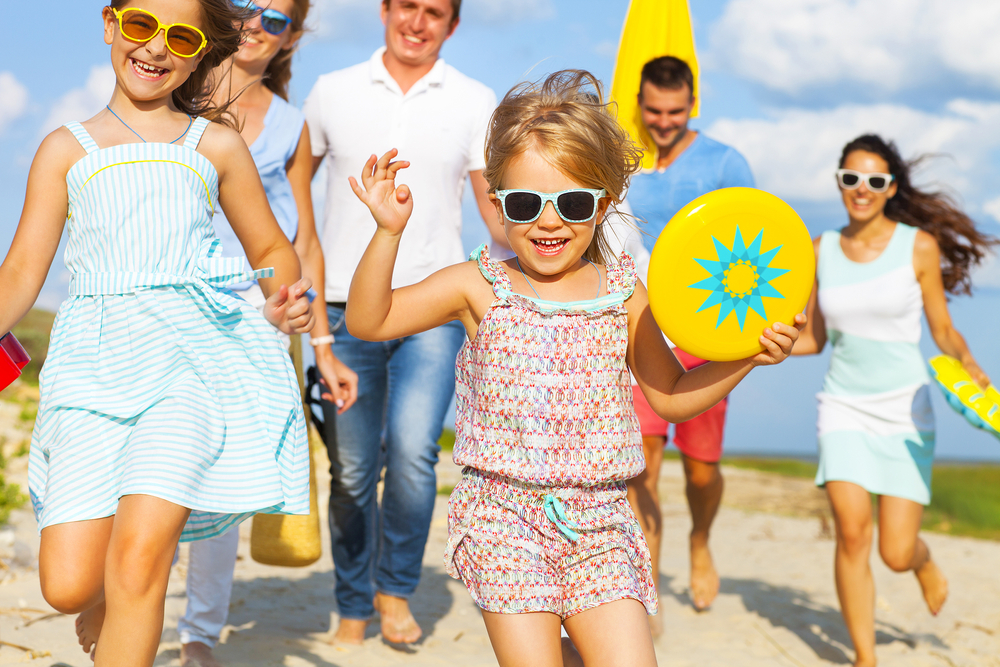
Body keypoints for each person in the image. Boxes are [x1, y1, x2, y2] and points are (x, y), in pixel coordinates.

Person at [344, 69, 804, 667]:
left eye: (574, 202)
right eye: (526, 202)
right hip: (503, 517)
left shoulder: (624, 293)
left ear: (604, 204)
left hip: (603, 520)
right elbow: (369, 320)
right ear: (497, 203)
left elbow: (669, 395)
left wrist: (748, 354)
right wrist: (387, 233)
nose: (549, 220)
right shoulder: (479, 286)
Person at [0, 1, 315, 664]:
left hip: (190, 365)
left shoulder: (216, 144)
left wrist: (284, 298)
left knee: (140, 558)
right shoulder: (65, 148)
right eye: (142, 25)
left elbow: (273, 250)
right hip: (90, 368)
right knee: (66, 582)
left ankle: (134, 581)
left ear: (202, 51)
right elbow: (23, 270)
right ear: (111, 24)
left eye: (181, 35)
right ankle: (104, 596)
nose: (156, 48)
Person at [302, 0, 499, 645]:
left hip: (433, 310)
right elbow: (296, 191)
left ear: (453, 24)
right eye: (407, 6)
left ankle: (393, 593)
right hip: (342, 306)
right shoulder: (331, 92)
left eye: (434, 12)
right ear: (385, 10)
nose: (418, 22)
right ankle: (352, 600)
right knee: (353, 469)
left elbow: (496, 215)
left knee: (414, 455)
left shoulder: (475, 100)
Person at [175, 2, 359, 666]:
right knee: (154, 463)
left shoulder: (290, 126)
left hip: (256, 314)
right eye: (245, 6)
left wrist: (325, 347)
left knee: (223, 477)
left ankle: (198, 632)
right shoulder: (173, 87)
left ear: (292, 37)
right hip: (170, 303)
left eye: (275, 18)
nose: (255, 23)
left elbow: (303, 236)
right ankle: (127, 595)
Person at [793, 134, 996, 667]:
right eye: (852, 179)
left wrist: (971, 366)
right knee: (852, 532)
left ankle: (923, 563)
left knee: (895, 551)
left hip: (905, 409)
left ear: (891, 188)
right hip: (842, 406)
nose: (862, 190)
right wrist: (749, 346)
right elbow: (813, 338)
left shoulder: (918, 246)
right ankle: (865, 657)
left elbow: (944, 329)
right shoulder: (820, 250)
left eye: (875, 181)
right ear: (840, 182)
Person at [615, 55, 755, 618]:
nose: (664, 121)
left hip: (709, 329)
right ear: (640, 104)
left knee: (701, 469)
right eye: (654, 110)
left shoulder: (725, 162)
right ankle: (645, 591)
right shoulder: (624, 164)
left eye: (675, 112)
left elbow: (753, 246)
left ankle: (700, 540)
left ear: (692, 105)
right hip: (644, 324)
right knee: (642, 460)